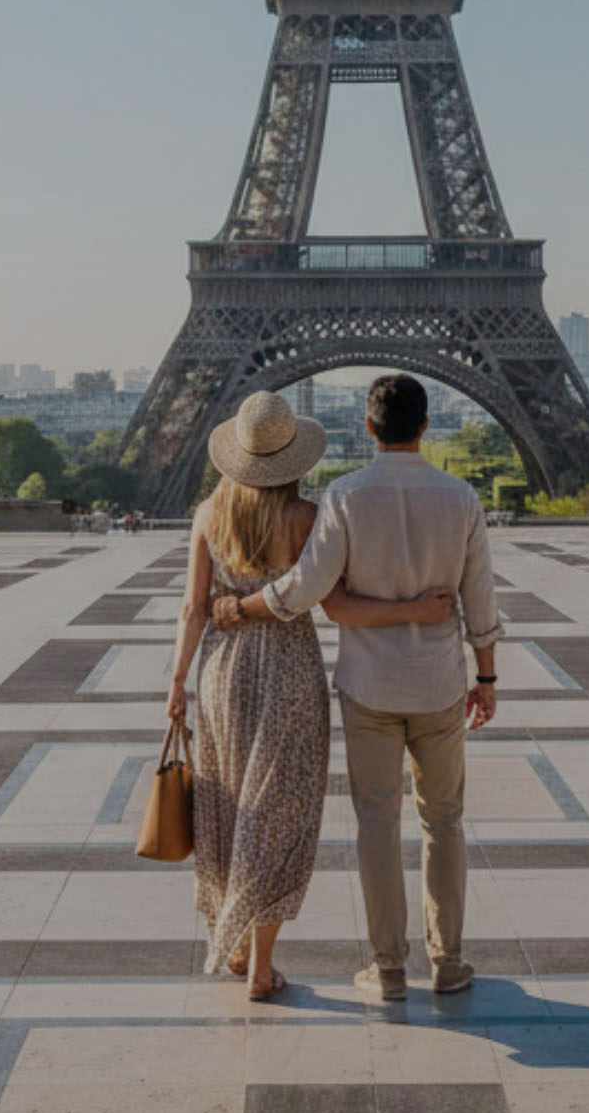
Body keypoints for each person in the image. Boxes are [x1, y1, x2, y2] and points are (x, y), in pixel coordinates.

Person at [213, 372, 502, 1004]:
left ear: (369, 427)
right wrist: (486, 676)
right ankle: (448, 961)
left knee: (377, 823)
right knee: (444, 822)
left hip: (369, 686)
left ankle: (388, 967)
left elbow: (306, 588)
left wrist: (242, 607)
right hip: (440, 684)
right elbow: (480, 597)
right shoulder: (460, 498)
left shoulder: (344, 495)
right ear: (426, 425)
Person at [166, 389, 454, 1003]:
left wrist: (176, 683)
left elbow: (193, 607)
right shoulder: (306, 519)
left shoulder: (206, 515)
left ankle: (234, 941)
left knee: (226, 808)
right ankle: (260, 964)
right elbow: (338, 604)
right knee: (277, 816)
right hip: (290, 671)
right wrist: (414, 611)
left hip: (221, 673)